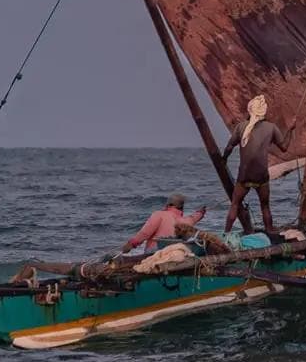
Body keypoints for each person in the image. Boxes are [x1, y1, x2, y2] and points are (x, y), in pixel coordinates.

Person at [221, 94, 289, 232]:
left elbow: (229, 147)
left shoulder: (241, 127)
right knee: (265, 206)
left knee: (235, 204)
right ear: (263, 111)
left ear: (250, 110)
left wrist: (224, 159)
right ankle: (269, 230)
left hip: (244, 176)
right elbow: (284, 148)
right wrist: (291, 130)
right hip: (261, 176)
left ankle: (226, 233)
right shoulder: (271, 127)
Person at [120, 193, 207, 255]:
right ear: (182, 207)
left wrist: (131, 244)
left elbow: (145, 233)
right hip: (176, 253)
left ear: (167, 204)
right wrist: (201, 212)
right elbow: (195, 217)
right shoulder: (187, 221)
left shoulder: (158, 215)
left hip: (155, 253)